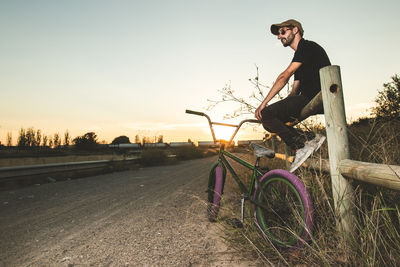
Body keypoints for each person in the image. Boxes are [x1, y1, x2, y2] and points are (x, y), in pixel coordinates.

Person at [255, 19, 330, 172]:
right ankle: (308, 138)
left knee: (266, 113)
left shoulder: (307, 46)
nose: (279, 36)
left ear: (295, 30)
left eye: (283, 32)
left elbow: (284, 76)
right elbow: (294, 90)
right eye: (278, 34)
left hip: (319, 96)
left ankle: (300, 145)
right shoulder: (300, 55)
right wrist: (283, 109)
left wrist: (264, 104)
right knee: (267, 120)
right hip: (306, 97)